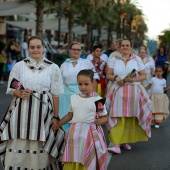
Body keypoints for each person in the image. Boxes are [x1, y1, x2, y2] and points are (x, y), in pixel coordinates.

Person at [0, 35, 65, 169]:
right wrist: (20, 93)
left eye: (38, 47)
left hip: (44, 112)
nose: (35, 50)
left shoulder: (53, 67)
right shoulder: (19, 66)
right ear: (28, 49)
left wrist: (56, 117)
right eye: (32, 47)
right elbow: (12, 89)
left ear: (43, 48)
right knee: (19, 138)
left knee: (41, 141)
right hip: (21, 111)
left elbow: (56, 95)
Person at [105, 39, 152, 154]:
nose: (125, 47)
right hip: (118, 91)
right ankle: (116, 144)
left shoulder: (137, 59)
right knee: (117, 115)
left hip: (133, 91)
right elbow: (108, 74)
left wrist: (133, 79)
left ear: (131, 47)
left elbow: (144, 76)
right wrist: (116, 78)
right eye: (123, 45)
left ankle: (124, 140)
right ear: (119, 47)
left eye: (127, 45)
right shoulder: (113, 59)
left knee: (131, 116)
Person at [57, 69, 108, 170]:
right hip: (74, 134)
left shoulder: (98, 100)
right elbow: (69, 115)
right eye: (80, 84)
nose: (83, 87)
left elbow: (105, 117)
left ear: (93, 83)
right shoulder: (74, 98)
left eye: (86, 84)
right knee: (73, 156)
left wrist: (99, 121)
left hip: (89, 135)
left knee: (87, 158)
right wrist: (58, 124)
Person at [59, 42, 99, 131]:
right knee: (65, 117)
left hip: (82, 93)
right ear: (69, 51)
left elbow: (95, 78)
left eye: (78, 50)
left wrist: (93, 93)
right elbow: (59, 81)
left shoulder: (86, 62)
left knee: (80, 118)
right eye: (74, 49)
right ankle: (65, 141)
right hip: (65, 95)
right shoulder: (64, 64)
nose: (76, 51)